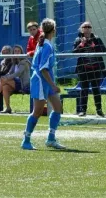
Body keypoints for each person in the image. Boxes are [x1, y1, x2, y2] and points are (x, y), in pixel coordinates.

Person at [21, 18, 65, 150]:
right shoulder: (46, 46)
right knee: (38, 111)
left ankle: (51, 139)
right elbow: (43, 69)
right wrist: (53, 85)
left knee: (58, 108)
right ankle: (26, 140)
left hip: (46, 80)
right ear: (53, 30)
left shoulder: (45, 44)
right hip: (41, 81)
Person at [0, 45, 31, 114]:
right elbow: (9, 73)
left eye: (18, 51)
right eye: (15, 51)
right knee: (5, 87)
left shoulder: (24, 62)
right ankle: (8, 108)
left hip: (24, 84)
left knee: (4, 80)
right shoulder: (14, 62)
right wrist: (4, 77)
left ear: (21, 52)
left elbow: (17, 74)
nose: (17, 53)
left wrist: (5, 78)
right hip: (14, 83)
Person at [73, 22, 106, 117]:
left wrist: (93, 45)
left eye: (89, 27)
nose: (87, 29)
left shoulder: (97, 39)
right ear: (81, 29)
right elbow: (74, 52)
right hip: (83, 69)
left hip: (95, 68)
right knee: (84, 89)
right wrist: (82, 44)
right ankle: (83, 110)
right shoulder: (78, 39)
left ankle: (99, 110)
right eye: (85, 27)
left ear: (91, 29)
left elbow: (104, 50)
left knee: (96, 89)